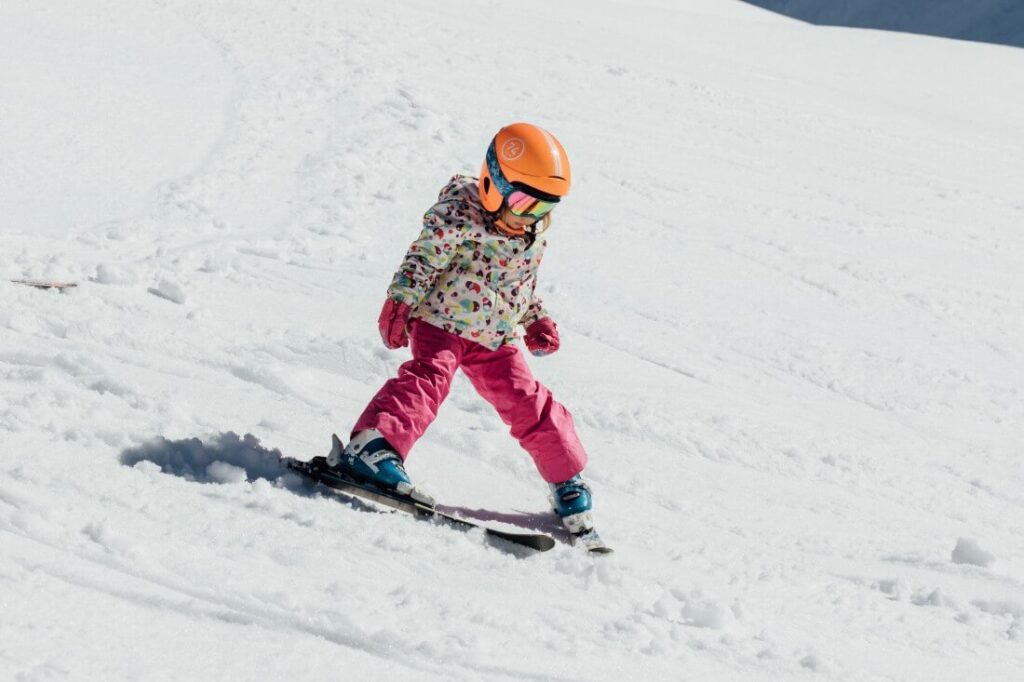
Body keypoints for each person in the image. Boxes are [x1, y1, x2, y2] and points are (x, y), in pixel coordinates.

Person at [327, 122, 595, 536]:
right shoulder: (459, 215)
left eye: (545, 208)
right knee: (427, 381)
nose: (530, 217)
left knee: (528, 401)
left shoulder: (530, 233)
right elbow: (422, 259)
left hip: (495, 336)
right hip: (442, 321)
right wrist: (401, 300)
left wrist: (534, 317)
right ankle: (373, 447)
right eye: (525, 203)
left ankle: (566, 478)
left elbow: (520, 284)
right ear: (494, 182)